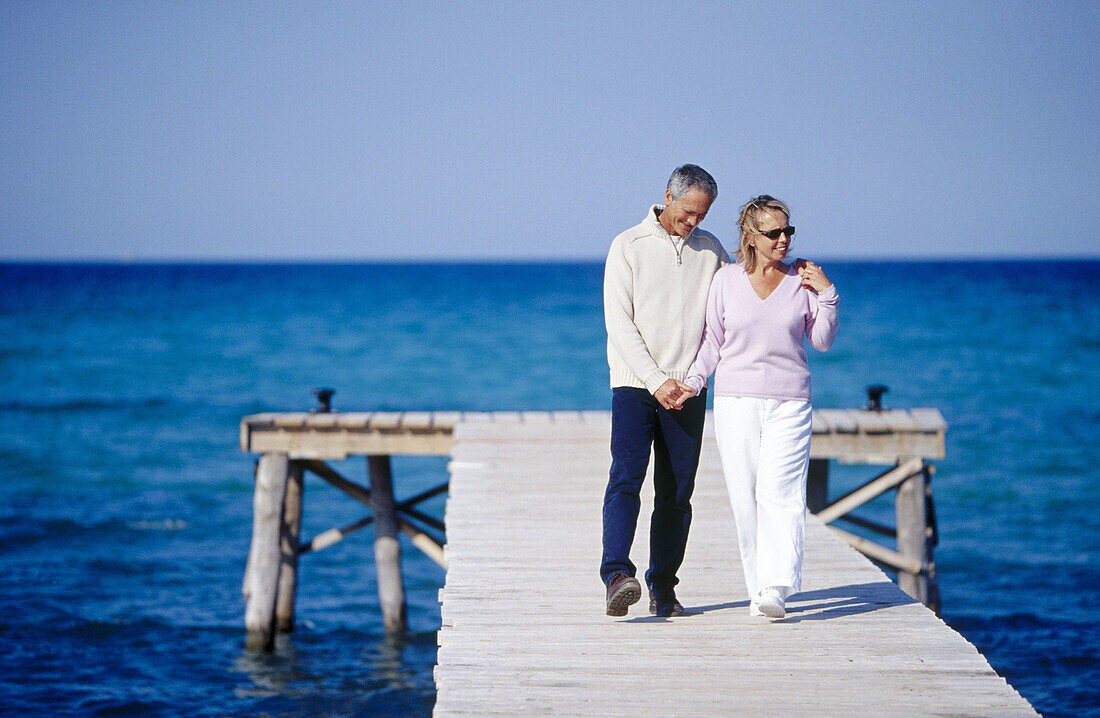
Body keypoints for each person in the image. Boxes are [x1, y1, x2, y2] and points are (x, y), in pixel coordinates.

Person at [677, 195, 838, 619]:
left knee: (781, 494)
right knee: (745, 498)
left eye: (789, 231)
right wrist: (694, 382)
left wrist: (828, 295)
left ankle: (776, 588)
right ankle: (757, 588)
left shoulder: (801, 281)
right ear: (751, 237)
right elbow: (712, 342)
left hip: (790, 402)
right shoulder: (726, 281)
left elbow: (821, 340)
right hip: (735, 402)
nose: (784, 239)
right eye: (774, 233)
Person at [601, 164, 730, 617]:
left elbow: (725, 317)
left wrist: (689, 380)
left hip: (688, 391)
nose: (693, 222)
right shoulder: (627, 246)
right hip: (636, 386)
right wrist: (657, 381)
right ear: (668, 196)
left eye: (703, 214)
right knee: (626, 480)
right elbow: (620, 324)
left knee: (677, 493)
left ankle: (663, 587)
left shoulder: (712, 251)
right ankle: (618, 574)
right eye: (689, 212)